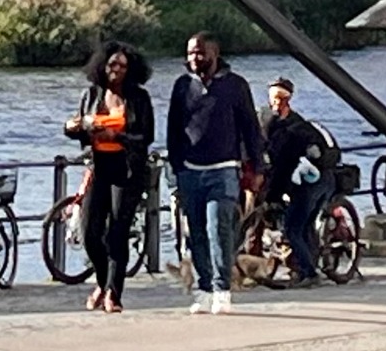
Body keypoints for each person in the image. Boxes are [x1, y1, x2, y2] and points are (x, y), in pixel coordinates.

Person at [167, 33, 264, 315]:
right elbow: (174, 128)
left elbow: (250, 128)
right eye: (190, 53)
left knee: (218, 227)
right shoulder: (183, 86)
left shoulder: (235, 85)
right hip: (190, 171)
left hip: (223, 170)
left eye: (200, 52)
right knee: (196, 233)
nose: (194, 58)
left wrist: (257, 166)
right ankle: (205, 289)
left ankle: (222, 289)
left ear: (214, 53)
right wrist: (177, 166)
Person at [65, 41, 154, 314]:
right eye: (112, 64)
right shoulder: (91, 94)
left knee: (118, 230)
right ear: (102, 66)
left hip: (127, 169)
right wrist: (72, 127)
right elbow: (79, 126)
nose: (117, 70)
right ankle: (103, 282)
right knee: (89, 231)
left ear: (131, 69)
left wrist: (117, 136)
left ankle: (114, 294)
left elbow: (146, 137)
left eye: (123, 66)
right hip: (98, 166)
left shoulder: (139, 98)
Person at [259, 77, 335, 287]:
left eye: (280, 97)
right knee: (305, 224)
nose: (276, 101)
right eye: (274, 97)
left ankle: (309, 273)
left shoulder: (293, 130)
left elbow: (283, 167)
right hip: (318, 178)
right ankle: (308, 265)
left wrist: (272, 196)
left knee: (293, 228)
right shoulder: (281, 122)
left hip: (310, 182)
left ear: (288, 99)